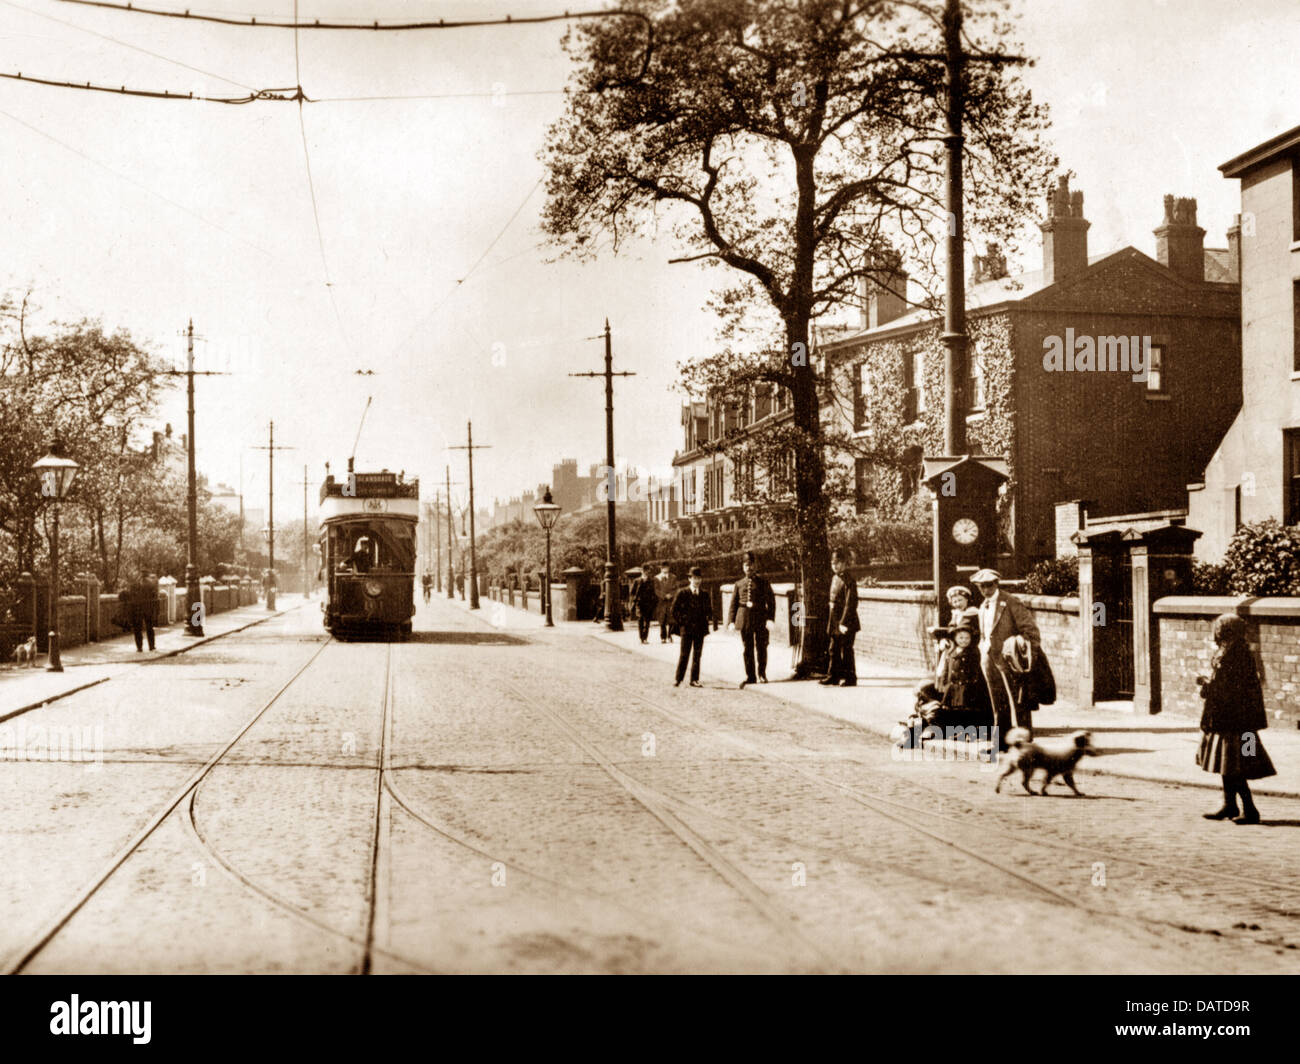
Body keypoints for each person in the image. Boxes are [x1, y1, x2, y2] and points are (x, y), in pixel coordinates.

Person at [1196, 613, 1275, 824]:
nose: (1217, 631)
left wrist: (1208, 685)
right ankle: (1229, 805)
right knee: (1227, 764)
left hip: (1235, 720)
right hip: (1226, 718)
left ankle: (1250, 810)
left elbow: (1230, 687)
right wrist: (1209, 685)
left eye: (1221, 627)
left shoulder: (1237, 652)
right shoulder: (1229, 650)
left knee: (1235, 765)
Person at [973, 568, 1041, 749]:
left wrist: (1023, 656)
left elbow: (1031, 631)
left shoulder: (1011, 602)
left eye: (989, 585)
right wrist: (982, 648)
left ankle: (1025, 744)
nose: (985, 590)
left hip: (1010, 660)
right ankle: (1000, 742)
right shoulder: (983, 605)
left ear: (996, 584)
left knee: (1018, 702)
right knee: (998, 702)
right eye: (981, 587)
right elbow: (984, 633)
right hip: (988, 658)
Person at [728, 550, 776, 687]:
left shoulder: (763, 582)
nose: (748, 568)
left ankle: (762, 674)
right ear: (743, 567)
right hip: (745, 619)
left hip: (760, 617)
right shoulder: (738, 584)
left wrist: (770, 619)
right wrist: (731, 621)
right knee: (747, 648)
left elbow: (771, 602)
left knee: (762, 647)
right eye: (746, 565)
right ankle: (750, 676)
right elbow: (733, 604)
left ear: (755, 566)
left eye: (751, 565)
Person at [821, 549, 860, 686]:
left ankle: (850, 678)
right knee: (833, 649)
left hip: (846, 621)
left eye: (837, 563)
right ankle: (833, 676)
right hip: (835, 619)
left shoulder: (849, 580)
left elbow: (851, 603)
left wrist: (843, 622)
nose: (835, 566)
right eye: (833, 563)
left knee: (847, 649)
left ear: (844, 563)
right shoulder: (835, 578)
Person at [671, 566, 713, 688]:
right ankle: (678, 678)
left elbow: (709, 610)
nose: (697, 581)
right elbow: (674, 610)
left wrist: (706, 618)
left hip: (700, 629)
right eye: (694, 578)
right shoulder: (682, 593)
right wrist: (683, 622)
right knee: (684, 654)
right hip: (687, 629)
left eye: (699, 578)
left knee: (697, 654)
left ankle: (694, 679)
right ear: (690, 579)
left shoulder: (704, 594)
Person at [120, 570, 158, 652]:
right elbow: (155, 598)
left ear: (141, 575)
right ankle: (151, 646)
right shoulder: (151, 585)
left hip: (137, 609)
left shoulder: (135, 584)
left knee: (137, 629)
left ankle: (139, 647)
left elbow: (130, 596)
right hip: (148, 609)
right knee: (150, 628)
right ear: (147, 575)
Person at [631, 564, 658, 644]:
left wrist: (653, 602)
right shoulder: (637, 581)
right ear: (642, 571)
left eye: (647, 571)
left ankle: (645, 637)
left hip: (648, 603)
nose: (646, 572)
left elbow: (654, 592)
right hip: (639, 603)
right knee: (640, 619)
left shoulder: (651, 581)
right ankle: (641, 637)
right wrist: (634, 600)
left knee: (647, 621)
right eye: (644, 571)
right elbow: (632, 592)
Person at [653, 564, 675, 642]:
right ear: (661, 569)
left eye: (666, 567)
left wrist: (671, 594)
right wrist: (664, 596)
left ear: (669, 568)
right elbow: (656, 590)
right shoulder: (656, 578)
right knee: (662, 620)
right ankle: (663, 637)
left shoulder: (673, 577)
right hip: (661, 602)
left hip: (670, 601)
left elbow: (675, 588)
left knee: (671, 619)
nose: (665, 569)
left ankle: (669, 635)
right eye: (663, 568)